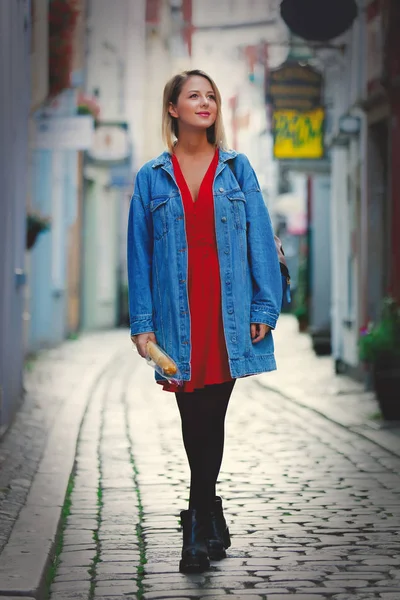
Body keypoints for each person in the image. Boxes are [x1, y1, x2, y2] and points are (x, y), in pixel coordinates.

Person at [127, 69, 282, 574]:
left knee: (211, 414)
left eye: (210, 95)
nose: (205, 102)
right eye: (194, 95)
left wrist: (264, 305)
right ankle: (207, 511)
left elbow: (261, 236)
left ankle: (196, 520)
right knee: (192, 415)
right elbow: (140, 253)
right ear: (173, 108)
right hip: (177, 315)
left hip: (227, 311)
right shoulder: (153, 176)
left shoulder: (237, 169)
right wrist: (143, 323)